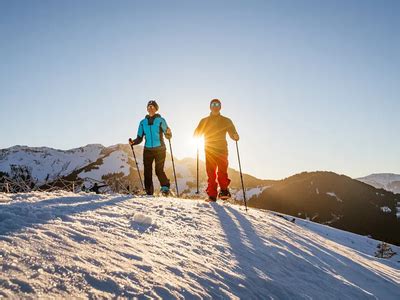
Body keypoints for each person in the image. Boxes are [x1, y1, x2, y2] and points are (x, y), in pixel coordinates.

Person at [194, 99, 239, 202]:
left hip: (222, 150)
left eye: (217, 104)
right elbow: (197, 132)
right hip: (209, 150)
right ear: (210, 107)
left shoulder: (226, 120)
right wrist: (196, 134)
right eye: (213, 104)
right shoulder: (204, 121)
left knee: (222, 172)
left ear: (220, 107)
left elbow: (233, 133)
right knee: (211, 173)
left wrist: (235, 136)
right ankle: (212, 195)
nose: (215, 106)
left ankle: (224, 191)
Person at [129, 100, 172, 196]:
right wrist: (133, 142)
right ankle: (149, 191)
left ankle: (165, 188)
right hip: (148, 150)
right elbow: (139, 138)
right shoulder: (142, 122)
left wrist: (169, 133)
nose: (150, 108)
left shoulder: (161, 120)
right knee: (147, 171)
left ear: (156, 109)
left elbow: (167, 134)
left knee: (158, 170)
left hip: (160, 149)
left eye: (152, 107)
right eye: (148, 107)